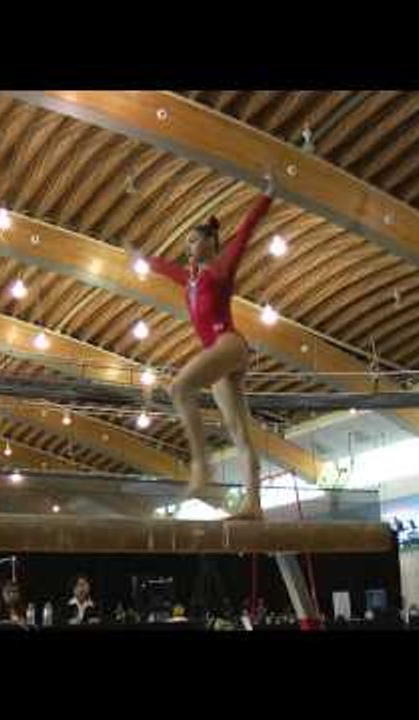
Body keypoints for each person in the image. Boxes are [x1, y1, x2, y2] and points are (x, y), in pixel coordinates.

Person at [122, 175, 275, 519]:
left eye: (193, 240)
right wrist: (140, 258)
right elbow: (164, 268)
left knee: (179, 388)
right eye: (187, 243)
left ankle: (202, 465)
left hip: (229, 342)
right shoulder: (189, 278)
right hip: (222, 355)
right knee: (239, 432)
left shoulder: (221, 267)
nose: (188, 247)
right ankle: (254, 505)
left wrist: (268, 192)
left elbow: (247, 229)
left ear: (210, 241)